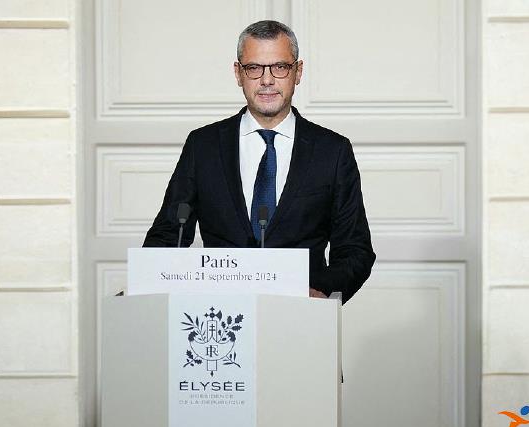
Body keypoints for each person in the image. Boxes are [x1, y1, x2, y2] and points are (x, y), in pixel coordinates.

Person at [142, 20, 375, 303]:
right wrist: (143, 285)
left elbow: (355, 249)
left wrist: (321, 291)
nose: (267, 80)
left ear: (298, 72)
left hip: (300, 313)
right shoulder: (203, 146)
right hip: (218, 314)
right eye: (254, 68)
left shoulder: (332, 151)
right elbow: (168, 234)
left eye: (280, 67)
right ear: (238, 73)